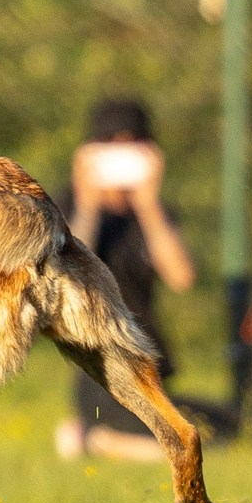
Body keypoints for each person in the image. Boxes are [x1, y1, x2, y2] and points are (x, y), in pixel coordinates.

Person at [54, 96, 200, 463]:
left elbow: (182, 277)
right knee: (182, 443)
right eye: (109, 150)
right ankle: (94, 437)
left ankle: (93, 437)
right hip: (99, 365)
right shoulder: (68, 206)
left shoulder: (153, 213)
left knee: (216, 425)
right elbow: (64, 274)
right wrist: (88, 204)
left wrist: (148, 205)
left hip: (149, 362)